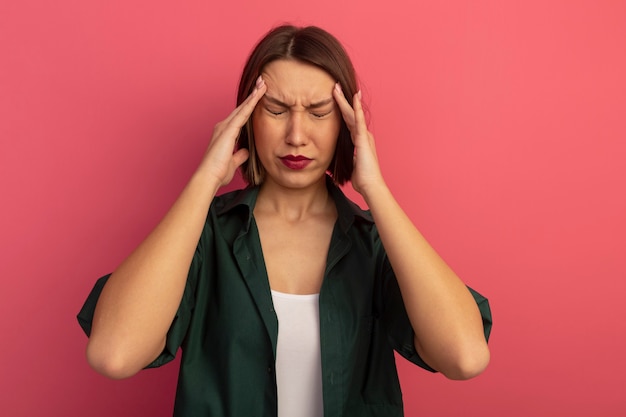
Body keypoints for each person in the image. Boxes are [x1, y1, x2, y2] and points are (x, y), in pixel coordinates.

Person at [78, 25, 492, 417]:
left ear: (346, 125)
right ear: (247, 118)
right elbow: (113, 354)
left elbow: (465, 356)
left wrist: (375, 189)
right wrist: (205, 179)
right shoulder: (204, 238)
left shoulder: (375, 244)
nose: (296, 134)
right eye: (275, 110)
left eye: (318, 112)